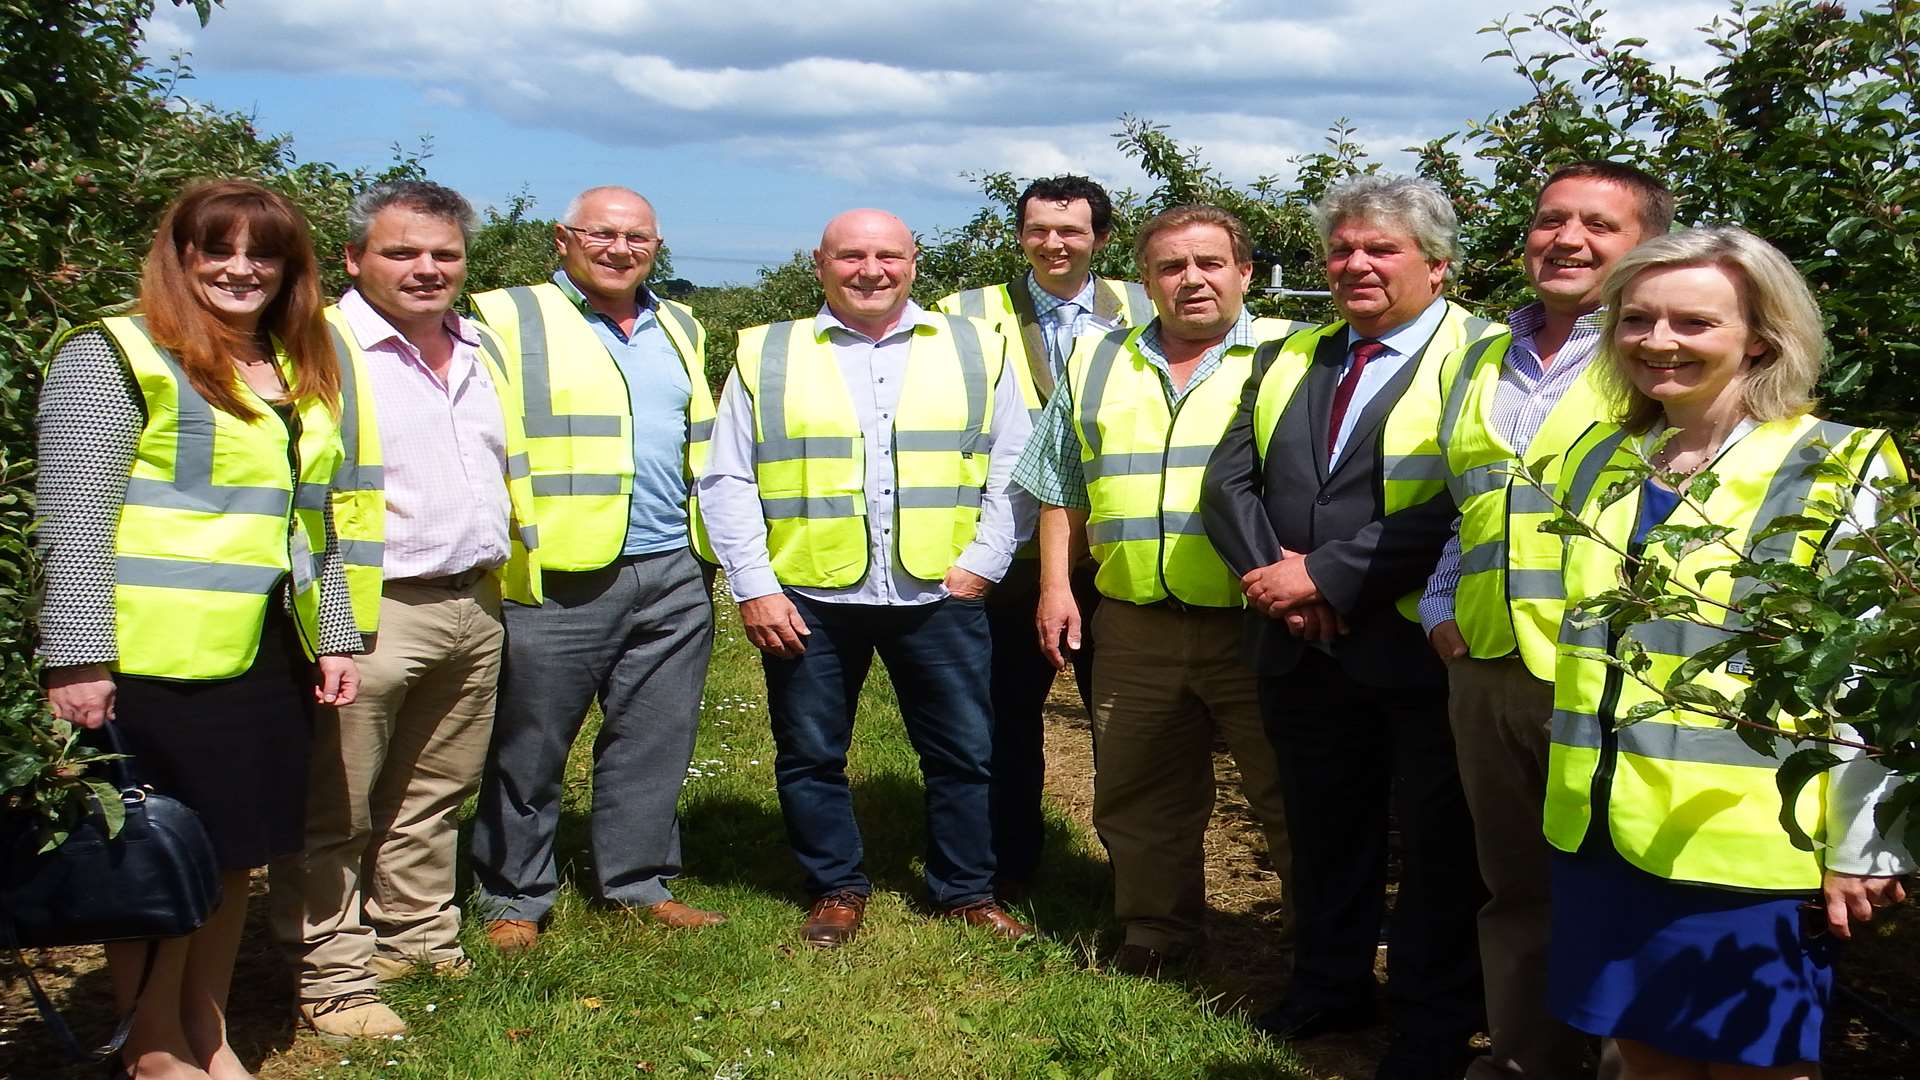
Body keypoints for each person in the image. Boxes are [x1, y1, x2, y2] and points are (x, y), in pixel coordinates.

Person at [1545, 225, 1914, 1079]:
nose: (1659, 342)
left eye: (1693, 323)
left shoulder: (1839, 464)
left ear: (1761, 336)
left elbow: (1876, 673)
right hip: (1598, 826)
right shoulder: (1602, 458)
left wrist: (1866, 844)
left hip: (1748, 846)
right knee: (1640, 1051)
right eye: (1637, 320)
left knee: (1758, 1064)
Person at [36, 179, 360, 1080]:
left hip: (262, 652)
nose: (240, 268)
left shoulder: (297, 364)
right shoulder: (115, 353)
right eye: (217, 248)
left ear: (291, 270)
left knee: (232, 858)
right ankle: (152, 1046)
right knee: (157, 857)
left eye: (264, 253)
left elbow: (313, 520)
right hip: (149, 657)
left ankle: (207, 1035)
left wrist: (332, 632)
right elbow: (74, 517)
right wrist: (76, 657)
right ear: (179, 256)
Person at [1200, 175, 1502, 1079]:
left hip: (1418, 646)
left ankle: (1433, 1020)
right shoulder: (1292, 355)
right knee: (1326, 830)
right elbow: (1228, 481)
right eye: (1342, 250)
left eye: (1381, 249)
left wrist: (1326, 575)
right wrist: (1282, 585)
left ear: (1438, 265)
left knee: (1441, 847)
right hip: (1301, 646)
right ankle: (1329, 986)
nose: (1356, 265)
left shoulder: (1482, 360)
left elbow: (1466, 500)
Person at [698, 208, 1034, 947]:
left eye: (888, 255)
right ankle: (836, 886)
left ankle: (965, 889)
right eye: (851, 256)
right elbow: (727, 476)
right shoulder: (768, 352)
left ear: (915, 261)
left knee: (964, 752)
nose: (870, 270)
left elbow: (1017, 464)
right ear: (819, 262)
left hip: (938, 591)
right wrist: (754, 585)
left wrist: (983, 563)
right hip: (810, 594)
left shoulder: (978, 347)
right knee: (812, 752)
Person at [273, 181, 541, 1041]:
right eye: (401, 252)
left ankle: (416, 939)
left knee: (433, 792)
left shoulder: (481, 348)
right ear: (354, 260)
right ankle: (332, 975)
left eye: (444, 254)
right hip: (370, 609)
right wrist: (329, 629)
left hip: (472, 601)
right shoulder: (317, 347)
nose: (426, 269)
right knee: (336, 807)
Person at [1422, 161, 1671, 1079]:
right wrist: (1441, 604)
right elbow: (1471, 498)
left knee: (1619, 885)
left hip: (1616, 670)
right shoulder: (1483, 357)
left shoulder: (1659, 350)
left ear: (1648, 245)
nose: (1567, 240)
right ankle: (1526, 1063)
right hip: (1488, 663)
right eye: (1551, 220)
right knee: (1516, 889)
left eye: (1599, 225)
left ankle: (1626, 1068)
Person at [1012, 204, 1301, 976]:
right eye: (1171, 267)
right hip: (1135, 621)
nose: (1192, 280)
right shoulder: (1097, 359)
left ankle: (1316, 946)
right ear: (1144, 281)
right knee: (1139, 792)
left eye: (1210, 263)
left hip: (1258, 625)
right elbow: (1059, 484)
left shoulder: (1292, 356)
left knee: (1289, 791)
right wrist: (1055, 586)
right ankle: (1155, 933)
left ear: (1245, 272)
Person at [467, 185, 721, 953]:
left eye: (637, 237)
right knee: (531, 744)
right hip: (558, 571)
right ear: (563, 239)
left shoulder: (679, 323)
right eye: (602, 235)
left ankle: (638, 881)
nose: (620, 249)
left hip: (673, 562)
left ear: (657, 244)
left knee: (654, 735)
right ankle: (514, 895)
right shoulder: (502, 318)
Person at [934, 175, 1152, 898]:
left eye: (1071, 232)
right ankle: (1006, 866)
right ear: (1019, 234)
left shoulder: (1148, 304)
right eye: (1038, 230)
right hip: (1008, 550)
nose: (1054, 244)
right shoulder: (964, 313)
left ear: (1102, 239)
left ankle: (1135, 870)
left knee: (1125, 724)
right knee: (1001, 716)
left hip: (1116, 546)